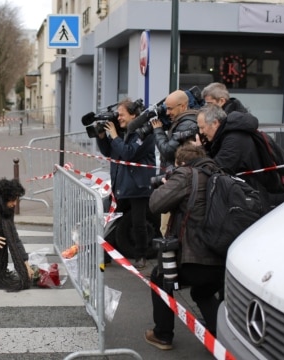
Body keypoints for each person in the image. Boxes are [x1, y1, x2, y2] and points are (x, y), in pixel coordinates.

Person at [145, 143, 225, 351]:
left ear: (181, 163)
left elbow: (156, 204)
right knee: (203, 292)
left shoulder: (185, 174)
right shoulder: (217, 172)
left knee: (159, 277)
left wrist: (165, 184)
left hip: (195, 255)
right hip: (221, 253)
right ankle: (220, 340)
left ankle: (162, 335)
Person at [96, 98, 156, 269]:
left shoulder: (144, 133)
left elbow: (128, 153)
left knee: (138, 223)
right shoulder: (122, 132)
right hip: (120, 183)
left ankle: (141, 256)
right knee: (110, 221)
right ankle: (105, 255)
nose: (119, 118)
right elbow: (109, 151)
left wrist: (114, 135)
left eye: (122, 115)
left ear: (133, 115)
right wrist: (102, 137)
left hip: (138, 186)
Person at [195, 103, 271, 210]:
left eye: (202, 127)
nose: (201, 132)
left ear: (215, 123)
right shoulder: (225, 136)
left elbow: (217, 169)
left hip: (250, 203)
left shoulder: (234, 139)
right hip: (243, 198)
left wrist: (200, 151)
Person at [150, 89, 200, 238]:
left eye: (170, 108)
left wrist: (158, 130)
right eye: (166, 108)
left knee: (167, 229)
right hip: (178, 179)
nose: (167, 112)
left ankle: (169, 260)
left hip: (179, 181)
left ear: (183, 106)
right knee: (167, 227)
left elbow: (167, 151)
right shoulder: (181, 122)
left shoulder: (186, 124)